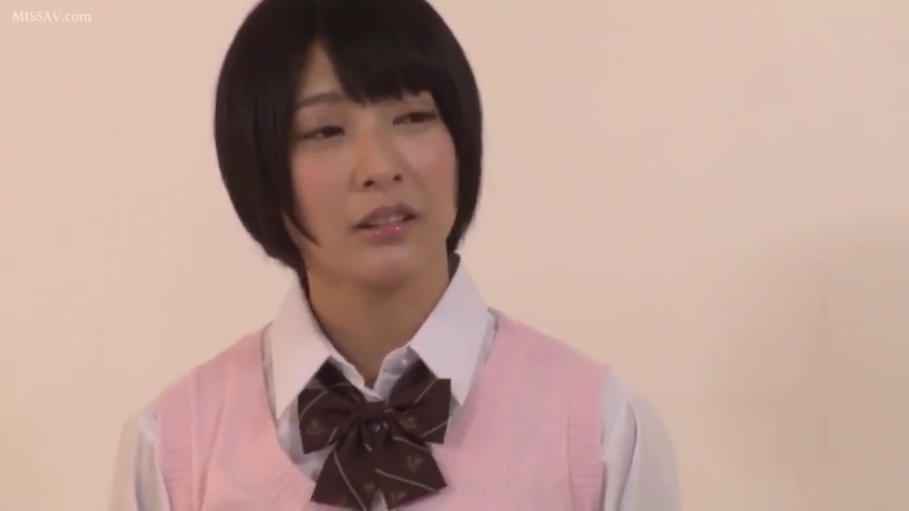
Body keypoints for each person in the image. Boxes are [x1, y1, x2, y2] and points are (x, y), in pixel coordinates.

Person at [108, 0, 681, 509]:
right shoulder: (173, 451)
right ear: (258, 165)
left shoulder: (600, 433)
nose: (380, 166)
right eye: (325, 130)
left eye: (412, 117)